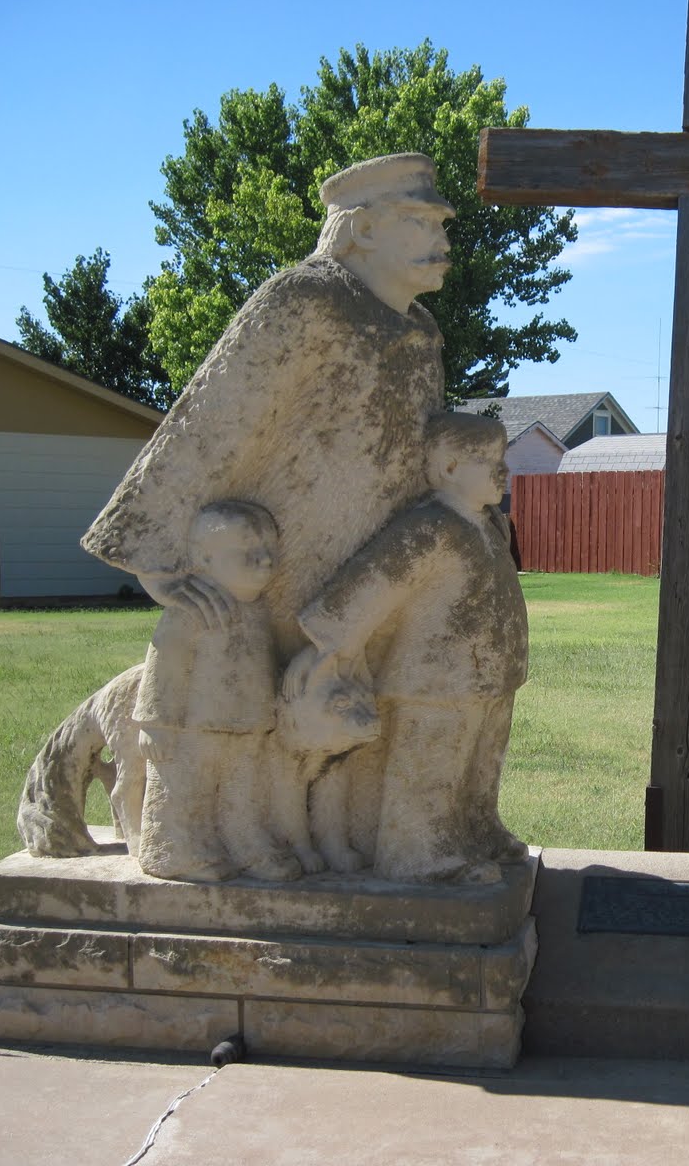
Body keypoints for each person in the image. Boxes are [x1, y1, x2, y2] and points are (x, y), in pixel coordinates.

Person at [78, 154, 455, 880]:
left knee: (346, 708)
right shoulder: (304, 300)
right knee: (259, 712)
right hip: (286, 549)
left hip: (369, 553)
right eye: (418, 221)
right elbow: (212, 420)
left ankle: (331, 841)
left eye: (440, 223)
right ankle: (211, 836)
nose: (439, 238)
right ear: (363, 231)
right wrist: (156, 551)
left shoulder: (423, 326)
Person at [293, 412, 529, 884]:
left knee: (483, 762)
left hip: (492, 673)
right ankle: (419, 853)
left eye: (502, 459)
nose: (501, 471)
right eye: (486, 460)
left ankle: (478, 829)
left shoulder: (490, 526)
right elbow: (371, 584)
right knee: (432, 766)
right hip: (436, 679)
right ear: (447, 468)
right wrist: (333, 643)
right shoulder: (429, 529)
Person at [133, 501, 284, 882]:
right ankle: (171, 850)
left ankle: (247, 847)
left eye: (269, 550)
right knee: (184, 788)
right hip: (194, 727)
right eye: (247, 551)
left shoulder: (259, 609)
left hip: (250, 722)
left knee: (244, 793)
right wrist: (156, 722)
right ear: (204, 558)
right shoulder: (190, 610)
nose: (265, 560)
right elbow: (165, 659)